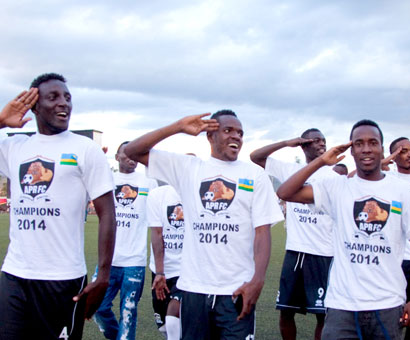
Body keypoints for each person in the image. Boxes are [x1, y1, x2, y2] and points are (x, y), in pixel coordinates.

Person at [125, 110, 283, 340]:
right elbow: (133, 151)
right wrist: (178, 126)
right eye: (228, 130)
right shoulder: (188, 168)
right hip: (194, 290)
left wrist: (257, 280)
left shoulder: (255, 175)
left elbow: (262, 232)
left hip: (237, 291)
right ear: (210, 135)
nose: (236, 136)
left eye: (240, 133)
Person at [277, 119, 410, 340]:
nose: (366, 148)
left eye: (373, 142)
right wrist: (321, 162)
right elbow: (286, 192)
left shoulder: (403, 191)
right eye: (359, 143)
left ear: (382, 149)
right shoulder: (337, 186)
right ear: (351, 149)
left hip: (387, 304)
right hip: (342, 305)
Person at [0, 73, 116, 340]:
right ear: (34, 105)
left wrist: (103, 277)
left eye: (67, 97)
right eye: (53, 97)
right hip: (15, 275)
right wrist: (1, 120)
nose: (64, 103)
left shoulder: (84, 149)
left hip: (64, 279)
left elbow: (107, 212)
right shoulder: (15, 147)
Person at [250, 129, 337, 340]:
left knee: (324, 315)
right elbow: (255, 157)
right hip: (295, 252)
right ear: (304, 145)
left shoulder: (333, 177)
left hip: (324, 254)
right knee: (286, 311)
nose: (321, 144)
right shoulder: (290, 169)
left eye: (323, 140)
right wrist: (287, 142)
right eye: (315, 140)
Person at [93, 141, 157, 340]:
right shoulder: (107, 180)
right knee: (97, 307)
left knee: (128, 312)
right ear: (117, 157)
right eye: (126, 154)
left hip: (134, 262)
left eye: (134, 155)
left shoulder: (149, 182)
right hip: (108, 261)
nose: (131, 158)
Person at [387, 137, 410, 340]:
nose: (409, 154)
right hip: (396, 260)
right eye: (402, 151)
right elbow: (353, 177)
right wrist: (385, 160)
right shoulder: (386, 179)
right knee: (392, 317)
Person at [147, 184, 185, 340]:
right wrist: (160, 272)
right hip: (161, 271)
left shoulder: (197, 195)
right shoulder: (157, 195)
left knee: (172, 319)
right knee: (164, 327)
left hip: (187, 271)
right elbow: (156, 233)